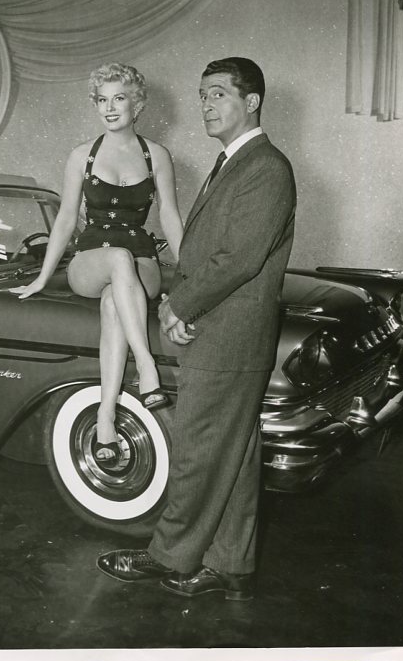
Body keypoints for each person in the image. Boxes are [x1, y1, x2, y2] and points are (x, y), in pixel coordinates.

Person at [97, 57, 296, 600]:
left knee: (198, 449)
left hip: (230, 335)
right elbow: (209, 251)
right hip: (227, 329)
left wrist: (179, 306)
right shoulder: (235, 162)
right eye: (202, 95)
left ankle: (169, 556)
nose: (206, 104)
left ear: (251, 102)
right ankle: (230, 565)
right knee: (234, 452)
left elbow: (238, 259)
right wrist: (180, 300)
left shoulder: (265, 167)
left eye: (218, 94)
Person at [10, 63, 183, 463]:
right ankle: (147, 366)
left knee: (113, 302)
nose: (109, 108)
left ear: (137, 104)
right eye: (102, 100)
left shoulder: (156, 155)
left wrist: (189, 274)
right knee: (117, 259)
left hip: (142, 262)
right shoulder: (81, 156)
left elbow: (171, 216)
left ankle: (106, 416)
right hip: (90, 260)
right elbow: (66, 219)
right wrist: (43, 277)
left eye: (119, 98)